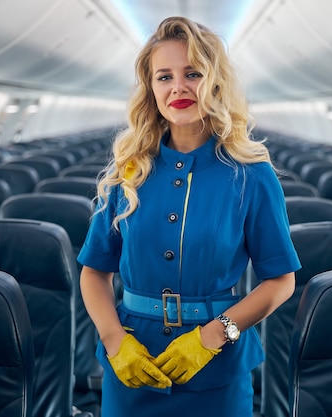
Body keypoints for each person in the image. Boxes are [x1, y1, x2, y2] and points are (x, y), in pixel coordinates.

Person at [77, 16, 301, 416]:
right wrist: (113, 339)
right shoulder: (129, 170)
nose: (178, 87)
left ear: (214, 82)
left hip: (217, 368)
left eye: (192, 73)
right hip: (132, 365)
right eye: (164, 76)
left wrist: (214, 336)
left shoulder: (250, 174)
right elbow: (94, 272)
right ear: (151, 89)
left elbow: (281, 281)